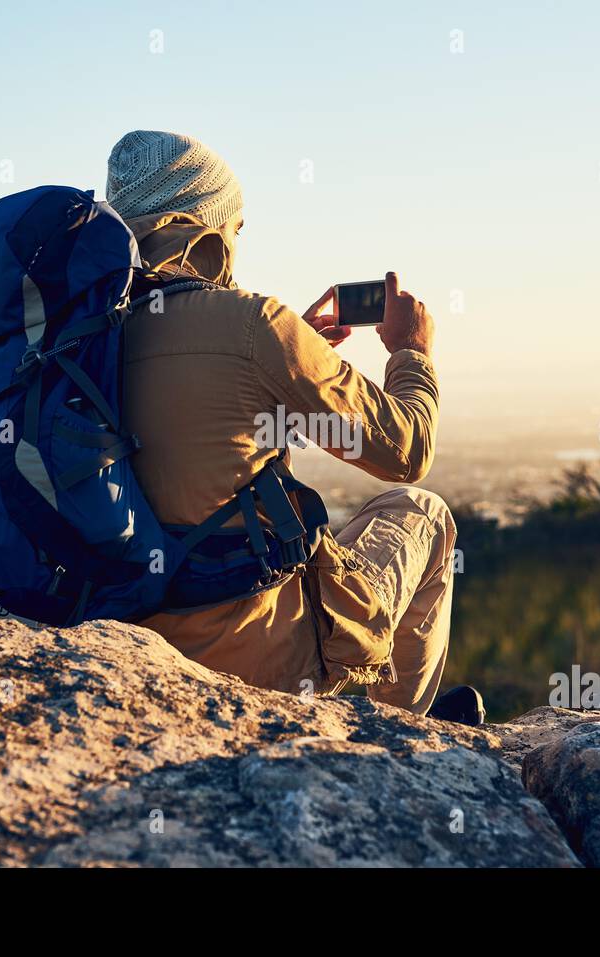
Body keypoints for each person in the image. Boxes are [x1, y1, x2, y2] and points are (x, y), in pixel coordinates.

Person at [106, 130, 473, 721]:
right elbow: (406, 447)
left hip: (115, 641)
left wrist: (287, 361)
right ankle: (405, 736)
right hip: (254, 659)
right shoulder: (253, 325)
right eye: (237, 225)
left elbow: (200, 441)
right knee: (421, 511)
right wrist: (410, 352)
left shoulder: (81, 335)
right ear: (208, 226)